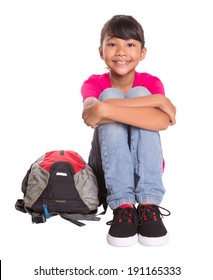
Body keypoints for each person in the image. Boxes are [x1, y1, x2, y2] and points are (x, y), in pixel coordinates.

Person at [81, 15, 176, 247]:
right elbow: (90, 115)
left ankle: (148, 205)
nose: (121, 52)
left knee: (138, 93)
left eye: (130, 45)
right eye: (113, 44)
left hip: (145, 168)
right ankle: (123, 207)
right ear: (101, 51)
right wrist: (157, 102)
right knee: (110, 94)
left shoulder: (151, 84)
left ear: (142, 53)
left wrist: (106, 109)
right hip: (108, 169)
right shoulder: (94, 83)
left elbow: (161, 123)